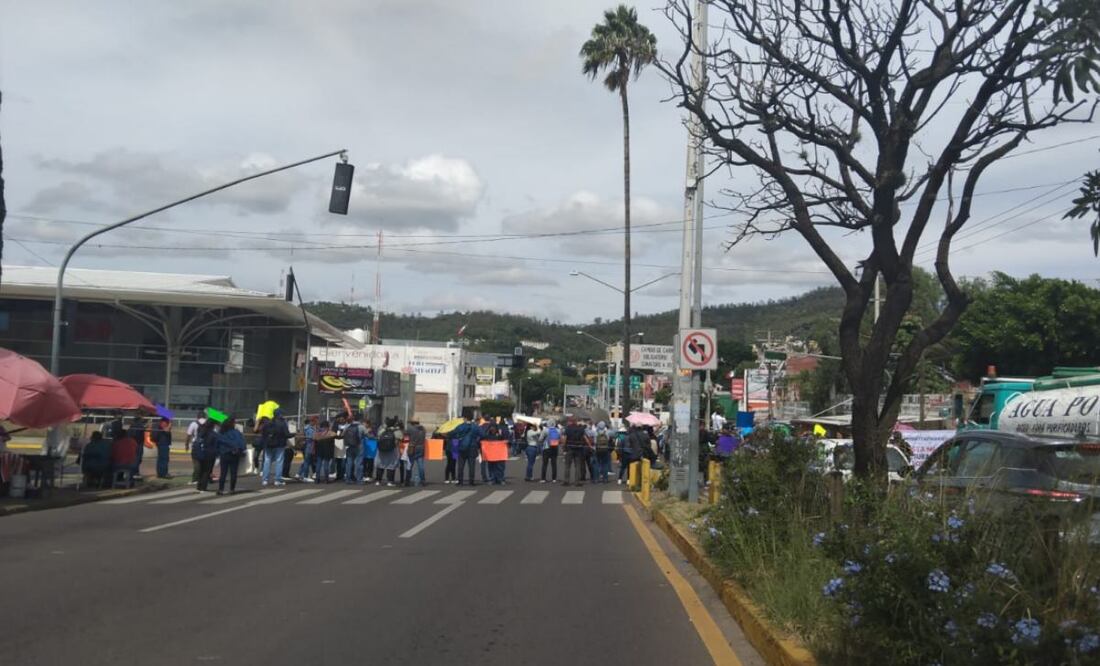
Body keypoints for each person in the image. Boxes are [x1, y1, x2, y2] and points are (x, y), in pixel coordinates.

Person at [215, 418, 246, 495]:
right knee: (233, 472)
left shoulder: (221, 432)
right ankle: (232, 489)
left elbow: (217, 444)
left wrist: (218, 453)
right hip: (234, 454)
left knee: (223, 473)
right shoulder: (237, 433)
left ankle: (220, 489)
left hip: (224, 454)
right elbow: (242, 443)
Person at [261, 410, 290, 487]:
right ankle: (277, 480)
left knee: (267, 461)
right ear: (280, 415)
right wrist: (294, 434)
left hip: (268, 445)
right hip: (279, 445)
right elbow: (287, 434)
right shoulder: (282, 423)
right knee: (279, 461)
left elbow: (263, 434)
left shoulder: (267, 423)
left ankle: (265, 480)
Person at [562, 417, 590, 487]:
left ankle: (566, 481)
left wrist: (564, 447)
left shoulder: (567, 428)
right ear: (576, 421)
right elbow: (585, 438)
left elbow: (564, 439)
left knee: (567, 466)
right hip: (578, 449)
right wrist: (590, 446)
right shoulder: (581, 429)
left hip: (569, 449)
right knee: (577, 466)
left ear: (571, 422)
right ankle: (577, 482)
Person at [453, 416, 481, 487]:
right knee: (472, 465)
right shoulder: (475, 427)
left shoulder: (460, 427)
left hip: (462, 448)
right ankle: (471, 481)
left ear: (464, 418)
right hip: (472, 447)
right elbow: (483, 434)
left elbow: (454, 436)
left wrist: (455, 450)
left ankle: (460, 481)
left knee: (460, 466)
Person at [374, 417, 401, 486]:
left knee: (380, 465)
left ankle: (378, 481)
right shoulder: (397, 431)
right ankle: (390, 481)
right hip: (392, 450)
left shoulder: (382, 430)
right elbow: (399, 439)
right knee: (391, 465)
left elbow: (378, 436)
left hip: (381, 451)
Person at [194, 421, 219, 492]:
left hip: (200, 453)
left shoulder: (201, 433)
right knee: (207, 471)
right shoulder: (214, 434)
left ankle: (199, 486)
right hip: (210, 454)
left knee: (201, 470)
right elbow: (216, 445)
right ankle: (203, 487)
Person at [297, 415, 318, 482]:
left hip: (308, 445)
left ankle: (300, 474)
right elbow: (312, 437)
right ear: (312, 421)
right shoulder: (310, 428)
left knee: (307, 461)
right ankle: (305, 476)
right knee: (307, 462)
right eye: (315, 421)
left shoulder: (307, 427)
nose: (316, 422)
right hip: (310, 445)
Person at [343, 414, 363, 484]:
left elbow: (342, 434)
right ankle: (359, 480)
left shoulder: (347, 426)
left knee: (349, 462)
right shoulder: (361, 426)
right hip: (359, 446)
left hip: (349, 446)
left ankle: (348, 479)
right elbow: (367, 434)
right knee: (359, 463)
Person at [406, 420, 427, 486]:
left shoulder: (411, 429)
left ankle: (407, 480)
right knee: (420, 466)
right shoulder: (423, 429)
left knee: (410, 464)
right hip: (421, 448)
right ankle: (422, 480)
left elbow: (405, 435)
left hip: (412, 447)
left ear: (412, 423)